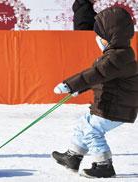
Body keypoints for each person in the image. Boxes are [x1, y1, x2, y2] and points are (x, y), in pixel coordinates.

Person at [52, 7, 138, 178]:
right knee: (83, 123)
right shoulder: (118, 55)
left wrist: (70, 85)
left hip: (115, 107)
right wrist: (80, 88)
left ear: (111, 37)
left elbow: (95, 74)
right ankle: (73, 156)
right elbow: (102, 78)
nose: (98, 39)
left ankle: (104, 165)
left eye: (101, 37)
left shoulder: (117, 57)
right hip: (110, 104)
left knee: (91, 130)